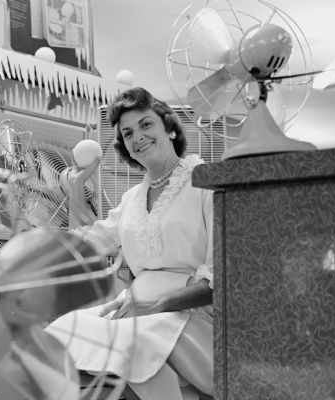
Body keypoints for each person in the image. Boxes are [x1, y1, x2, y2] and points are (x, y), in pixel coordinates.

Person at [45, 87, 214, 400]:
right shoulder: (131, 199)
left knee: (130, 348)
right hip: (132, 311)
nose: (137, 137)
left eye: (146, 125)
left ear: (170, 127)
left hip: (189, 317)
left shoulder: (207, 183)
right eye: (127, 133)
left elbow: (219, 280)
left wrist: (154, 305)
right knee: (61, 331)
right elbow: (92, 240)